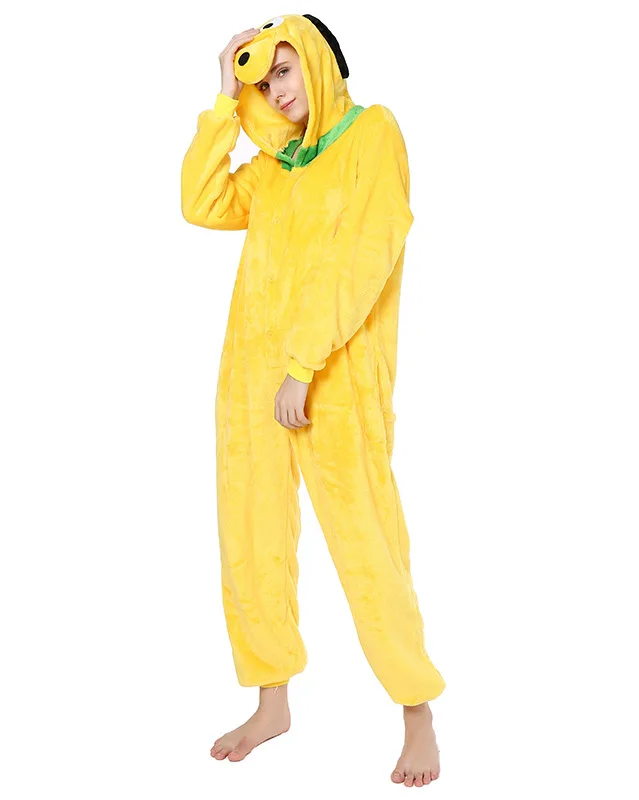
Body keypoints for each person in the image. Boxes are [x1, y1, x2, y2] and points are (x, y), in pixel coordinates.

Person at [181, 14, 445, 787]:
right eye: (264, 81)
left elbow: (370, 250)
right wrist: (224, 99)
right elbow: (201, 203)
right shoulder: (275, 166)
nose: (276, 91)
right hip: (252, 376)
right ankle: (272, 702)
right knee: (251, 533)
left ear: (321, 64)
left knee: (367, 541)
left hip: (333, 375)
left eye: (285, 71)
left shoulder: (372, 134)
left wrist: (303, 365)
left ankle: (417, 710)